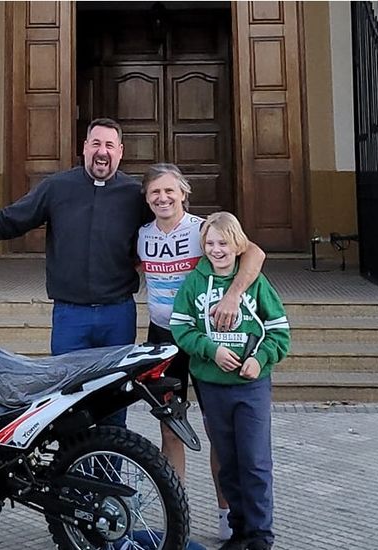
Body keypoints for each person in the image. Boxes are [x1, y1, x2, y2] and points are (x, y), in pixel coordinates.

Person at [0, 117, 252, 426]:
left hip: (117, 316)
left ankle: (108, 489)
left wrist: (232, 289)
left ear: (120, 152)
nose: (102, 151)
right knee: (64, 405)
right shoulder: (57, 188)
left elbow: (173, 229)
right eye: (96, 144)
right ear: (84, 149)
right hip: (69, 318)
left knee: (113, 406)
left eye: (109, 145)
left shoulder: (136, 196)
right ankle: (72, 486)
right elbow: (6, 221)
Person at [137, 164, 264, 541]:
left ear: (183, 194)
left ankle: (227, 515)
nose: (163, 198)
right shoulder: (142, 235)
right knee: (169, 428)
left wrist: (232, 295)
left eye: (169, 191)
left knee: (217, 430)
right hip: (162, 337)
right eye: (155, 193)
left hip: (207, 338)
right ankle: (174, 512)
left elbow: (253, 253)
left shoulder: (201, 230)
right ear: (146, 199)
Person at [169, 212, 290, 550]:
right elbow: (182, 328)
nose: (216, 249)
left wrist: (260, 358)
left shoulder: (257, 284)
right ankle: (239, 532)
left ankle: (260, 535)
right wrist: (210, 350)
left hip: (250, 387)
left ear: (238, 245)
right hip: (212, 384)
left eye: (223, 243)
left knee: (254, 461)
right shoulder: (195, 283)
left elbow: (279, 331)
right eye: (209, 243)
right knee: (228, 461)